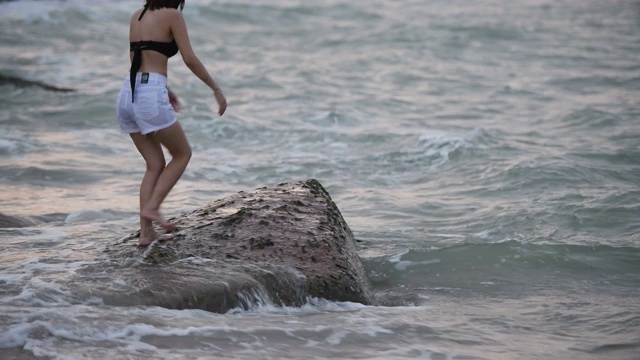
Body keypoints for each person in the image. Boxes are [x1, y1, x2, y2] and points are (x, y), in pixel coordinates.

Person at [116, 0, 227, 246]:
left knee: (154, 164)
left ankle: (146, 234)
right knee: (182, 154)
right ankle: (153, 208)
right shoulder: (172, 16)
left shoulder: (138, 15)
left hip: (128, 93)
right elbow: (190, 59)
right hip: (150, 93)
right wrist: (216, 90)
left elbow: (139, 59)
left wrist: (164, 89)